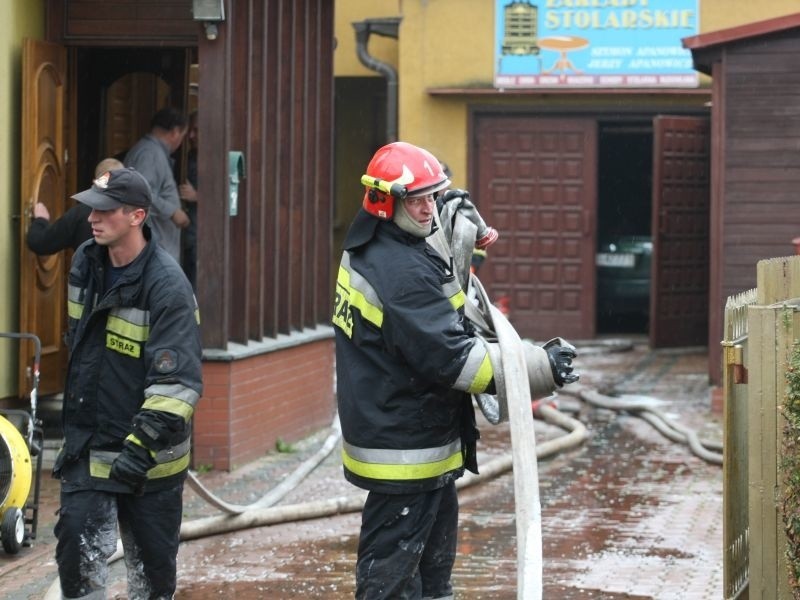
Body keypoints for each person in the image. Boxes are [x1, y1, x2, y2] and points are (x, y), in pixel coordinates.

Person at [332, 141, 578, 599]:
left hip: (409, 436)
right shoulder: (400, 272)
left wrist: (456, 228)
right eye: (419, 200)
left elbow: (447, 301)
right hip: (405, 451)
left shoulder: (376, 241)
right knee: (393, 584)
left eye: (433, 196)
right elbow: (455, 358)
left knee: (430, 581)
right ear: (387, 201)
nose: (429, 209)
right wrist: (539, 367)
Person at [53, 167, 203, 598]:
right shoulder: (86, 261)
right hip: (89, 447)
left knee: (152, 580)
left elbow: (178, 385)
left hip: (149, 462)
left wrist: (138, 452)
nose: (92, 218)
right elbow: (83, 351)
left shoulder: (168, 288)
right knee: (76, 565)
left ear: (137, 216)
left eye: (106, 210)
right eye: (91, 209)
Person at [125, 107, 190, 262]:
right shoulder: (149, 154)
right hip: (154, 249)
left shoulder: (151, 151)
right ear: (175, 132)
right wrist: (173, 212)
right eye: (183, 136)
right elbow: (139, 193)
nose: (181, 142)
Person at [26, 157, 123, 255]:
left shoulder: (80, 214)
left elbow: (40, 243)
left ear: (95, 182)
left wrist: (40, 220)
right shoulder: (132, 213)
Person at [179, 110, 198, 289]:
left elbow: (231, 196)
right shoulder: (188, 156)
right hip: (186, 236)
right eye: (190, 130)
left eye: (197, 130)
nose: (191, 136)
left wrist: (197, 196)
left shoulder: (218, 159)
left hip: (204, 240)